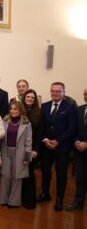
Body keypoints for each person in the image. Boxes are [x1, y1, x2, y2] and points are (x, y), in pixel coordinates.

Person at [38, 82, 77, 211]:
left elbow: (72, 128)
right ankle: (45, 193)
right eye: (53, 91)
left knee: (61, 174)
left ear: (63, 92)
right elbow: (41, 127)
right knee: (45, 171)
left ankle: (60, 198)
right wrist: (45, 140)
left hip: (62, 147)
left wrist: (57, 141)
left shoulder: (70, 107)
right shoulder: (44, 106)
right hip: (46, 147)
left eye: (58, 91)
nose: (55, 93)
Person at [0, 101, 32, 208]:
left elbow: (28, 141)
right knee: (5, 175)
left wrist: (27, 157)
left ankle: (14, 201)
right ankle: (4, 199)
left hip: (20, 153)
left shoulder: (26, 123)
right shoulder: (4, 121)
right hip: (5, 151)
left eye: (15, 109)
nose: (13, 111)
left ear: (20, 110)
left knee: (16, 177)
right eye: (11, 109)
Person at [66, 87, 87, 211]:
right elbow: (75, 129)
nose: (86, 96)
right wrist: (77, 141)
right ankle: (78, 202)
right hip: (79, 151)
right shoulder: (80, 109)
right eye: (85, 94)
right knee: (80, 178)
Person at [22, 89, 42, 209]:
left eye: (32, 98)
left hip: (31, 149)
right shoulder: (19, 110)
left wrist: (36, 150)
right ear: (24, 97)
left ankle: (29, 200)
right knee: (19, 174)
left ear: (34, 101)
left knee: (29, 174)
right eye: (28, 96)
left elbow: (40, 133)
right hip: (19, 148)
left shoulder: (39, 113)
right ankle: (19, 197)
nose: (29, 99)